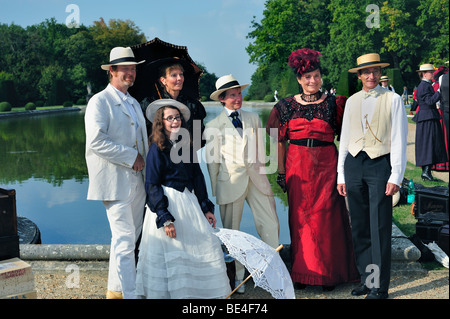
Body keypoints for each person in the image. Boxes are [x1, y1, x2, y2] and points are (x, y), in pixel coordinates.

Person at [266, 48, 359, 291]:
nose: (312, 81)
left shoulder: (335, 104)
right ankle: (302, 273)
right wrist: (281, 172)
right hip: (297, 166)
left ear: (321, 77)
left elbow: (348, 139)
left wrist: (344, 172)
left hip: (327, 165)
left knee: (327, 219)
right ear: (299, 79)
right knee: (300, 220)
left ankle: (327, 275)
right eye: (307, 77)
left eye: (316, 76)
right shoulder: (284, 107)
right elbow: (278, 141)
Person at [135, 99, 231, 299]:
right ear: (161, 122)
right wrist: (164, 216)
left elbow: (197, 177)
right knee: (174, 250)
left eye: (177, 117)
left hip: (189, 202)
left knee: (203, 244)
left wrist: (206, 208)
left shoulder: (186, 145)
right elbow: (151, 184)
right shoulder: (156, 149)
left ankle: (194, 295)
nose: (174, 121)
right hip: (169, 204)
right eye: (169, 118)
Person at [337, 53, 408, 299]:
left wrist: (396, 175)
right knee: (360, 226)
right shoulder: (352, 101)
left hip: (380, 164)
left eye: (375, 71)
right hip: (354, 165)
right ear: (359, 76)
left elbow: (399, 139)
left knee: (379, 226)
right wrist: (340, 175)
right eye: (366, 72)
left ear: (379, 73)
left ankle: (380, 287)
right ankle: (367, 281)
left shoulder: (394, 99)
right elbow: (344, 138)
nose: (371, 75)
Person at [205, 74, 280, 293]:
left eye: (239, 94)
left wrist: (265, 177)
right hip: (229, 183)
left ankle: (271, 274)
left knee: (271, 225)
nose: (238, 98)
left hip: (256, 179)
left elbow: (259, 152)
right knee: (232, 235)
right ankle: (238, 280)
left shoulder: (253, 118)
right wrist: (215, 191)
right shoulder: (213, 125)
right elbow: (213, 162)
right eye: (232, 95)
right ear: (222, 99)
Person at [85, 47, 148, 299]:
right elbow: (96, 141)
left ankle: (115, 292)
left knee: (127, 241)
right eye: (125, 69)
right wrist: (132, 157)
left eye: (133, 68)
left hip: (138, 182)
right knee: (123, 240)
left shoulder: (133, 102)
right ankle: (130, 296)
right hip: (114, 182)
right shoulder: (99, 101)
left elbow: (143, 142)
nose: (130, 73)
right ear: (112, 71)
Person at [142, 58, 207, 149]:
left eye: (181, 74)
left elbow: (199, 137)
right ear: (163, 80)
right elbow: (144, 135)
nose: (179, 78)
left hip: (186, 156)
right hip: (160, 155)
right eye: (174, 75)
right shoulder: (150, 104)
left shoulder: (193, 105)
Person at [412, 64, 447, 180]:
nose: (433, 74)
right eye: (430, 72)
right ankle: (426, 172)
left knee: (430, 144)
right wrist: (439, 91)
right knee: (428, 144)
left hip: (428, 116)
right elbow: (429, 101)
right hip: (427, 117)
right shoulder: (424, 86)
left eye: (432, 72)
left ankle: (427, 172)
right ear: (424, 74)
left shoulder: (426, 85)